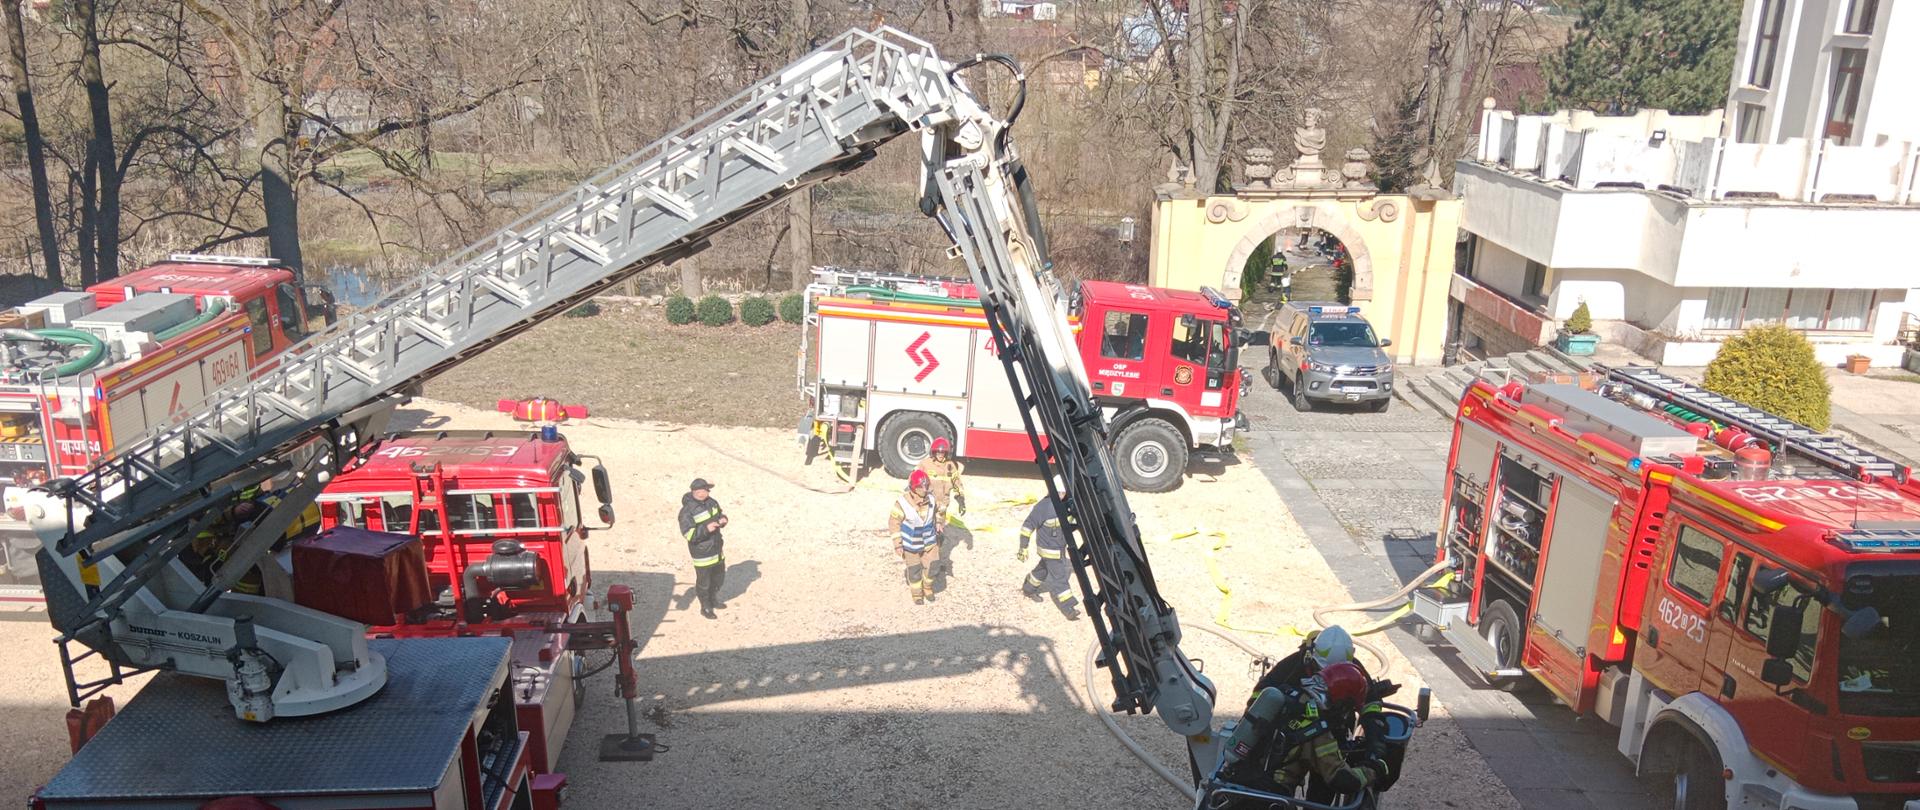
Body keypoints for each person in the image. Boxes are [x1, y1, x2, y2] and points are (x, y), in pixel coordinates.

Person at [1217, 661, 1394, 807]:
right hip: (1269, 799)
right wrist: (1374, 769)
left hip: (1234, 786)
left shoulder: (1287, 694)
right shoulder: (1317, 729)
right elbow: (1342, 780)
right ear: (1342, 703)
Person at [1016, 496, 1080, 620]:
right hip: (1050, 550)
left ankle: (1028, 588)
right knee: (1060, 579)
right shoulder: (1044, 507)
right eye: (1061, 492)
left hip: (1058, 548)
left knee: (1042, 570)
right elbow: (1027, 526)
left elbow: (1069, 524)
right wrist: (1023, 547)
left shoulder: (1064, 505)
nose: (1063, 494)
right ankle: (1069, 608)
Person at [678, 478, 729, 619]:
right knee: (704, 583)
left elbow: (719, 514)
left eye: (707, 490)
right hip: (702, 554)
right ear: (696, 492)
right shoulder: (687, 511)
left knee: (718, 578)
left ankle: (713, 599)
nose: (706, 492)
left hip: (717, 550)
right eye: (704, 490)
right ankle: (705, 606)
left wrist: (723, 519)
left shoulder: (712, 502)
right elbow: (688, 534)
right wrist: (706, 528)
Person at [889, 470, 941, 606]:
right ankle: (917, 594)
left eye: (926, 486)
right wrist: (898, 544)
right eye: (920, 487)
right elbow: (894, 523)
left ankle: (928, 588)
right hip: (911, 545)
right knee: (914, 570)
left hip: (929, 542)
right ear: (913, 487)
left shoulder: (931, 499)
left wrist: (940, 522)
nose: (924, 490)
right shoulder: (902, 503)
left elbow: (938, 512)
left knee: (933, 566)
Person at [916, 436, 966, 579]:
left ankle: (935, 561)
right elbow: (914, 480)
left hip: (942, 508)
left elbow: (957, 483)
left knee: (939, 535)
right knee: (923, 532)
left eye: (943, 452)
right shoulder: (925, 464)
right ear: (933, 452)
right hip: (927, 506)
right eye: (938, 452)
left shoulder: (950, 466)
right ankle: (921, 559)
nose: (940, 455)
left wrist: (961, 499)